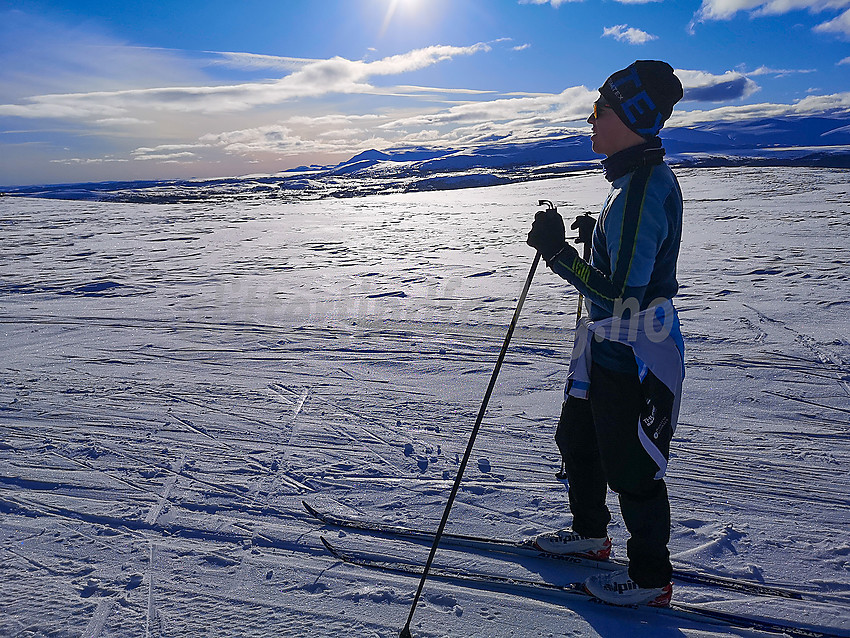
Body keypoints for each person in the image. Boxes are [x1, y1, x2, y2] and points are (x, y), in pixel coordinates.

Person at [526, 60, 686, 607]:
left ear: (633, 117)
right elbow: (627, 261)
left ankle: (648, 578)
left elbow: (622, 299)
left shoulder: (640, 188)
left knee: (631, 466)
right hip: (606, 344)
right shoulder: (629, 183)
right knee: (578, 438)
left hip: (633, 349)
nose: (591, 119)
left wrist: (557, 254)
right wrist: (600, 239)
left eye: (601, 109)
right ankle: (592, 535)